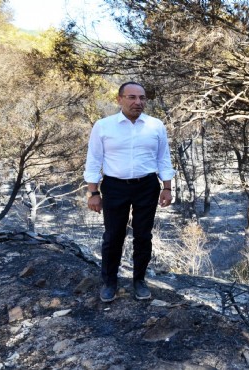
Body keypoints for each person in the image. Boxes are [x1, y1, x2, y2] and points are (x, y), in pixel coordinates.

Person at [84, 82, 175, 303]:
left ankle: (139, 281)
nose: (138, 102)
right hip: (115, 186)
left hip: (147, 185)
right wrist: (93, 192)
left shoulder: (155, 126)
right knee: (113, 236)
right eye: (132, 97)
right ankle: (109, 282)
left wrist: (167, 187)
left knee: (143, 236)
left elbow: (163, 158)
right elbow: (94, 159)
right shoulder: (104, 126)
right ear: (120, 99)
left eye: (142, 98)